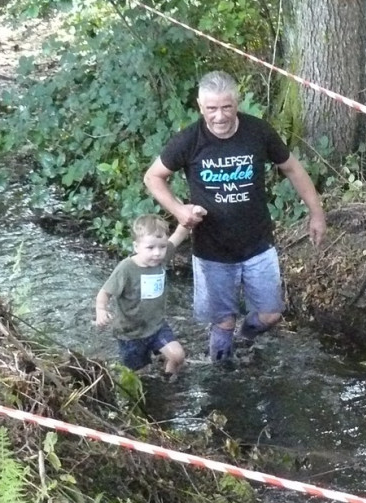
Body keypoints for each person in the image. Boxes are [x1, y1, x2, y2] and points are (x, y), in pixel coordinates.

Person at [143, 70, 326, 362]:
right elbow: (153, 177)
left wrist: (316, 213)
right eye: (211, 109)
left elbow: (292, 168)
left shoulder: (258, 132)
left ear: (236, 103)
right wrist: (179, 210)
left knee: (270, 314)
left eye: (226, 107)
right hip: (212, 250)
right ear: (200, 106)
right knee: (223, 322)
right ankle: (221, 374)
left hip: (258, 244)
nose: (219, 116)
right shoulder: (189, 140)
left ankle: (246, 338)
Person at [94, 214, 191, 377]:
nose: (157, 253)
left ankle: (168, 378)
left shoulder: (161, 258)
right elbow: (104, 292)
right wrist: (101, 310)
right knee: (140, 374)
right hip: (130, 333)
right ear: (136, 247)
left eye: (162, 247)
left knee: (178, 355)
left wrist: (190, 218)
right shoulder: (126, 268)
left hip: (157, 326)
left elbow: (179, 234)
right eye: (150, 248)